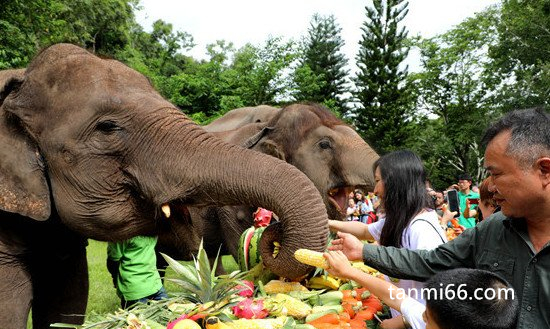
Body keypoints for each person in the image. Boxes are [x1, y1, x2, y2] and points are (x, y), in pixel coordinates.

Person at [329, 108, 550, 329]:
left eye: (497, 174)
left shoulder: (421, 227)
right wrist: (364, 252)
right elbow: (431, 262)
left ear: (544, 170)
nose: (490, 187)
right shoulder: (493, 228)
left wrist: (408, 318)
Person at [329, 150, 447, 328]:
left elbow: (442, 298)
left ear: (395, 183)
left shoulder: (421, 229)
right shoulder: (401, 220)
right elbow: (365, 230)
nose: (375, 190)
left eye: (377, 181)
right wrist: (327, 222)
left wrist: (404, 321)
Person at [324, 250, 519, 329]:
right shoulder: (445, 317)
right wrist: (350, 272)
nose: (423, 317)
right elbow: (394, 295)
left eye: (427, 317)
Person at [107, 235, 168, 308]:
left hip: (138, 289)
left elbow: (113, 261)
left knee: (139, 318)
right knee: (165, 316)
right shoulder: (152, 230)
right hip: (154, 286)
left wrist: (115, 278)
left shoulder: (122, 235)